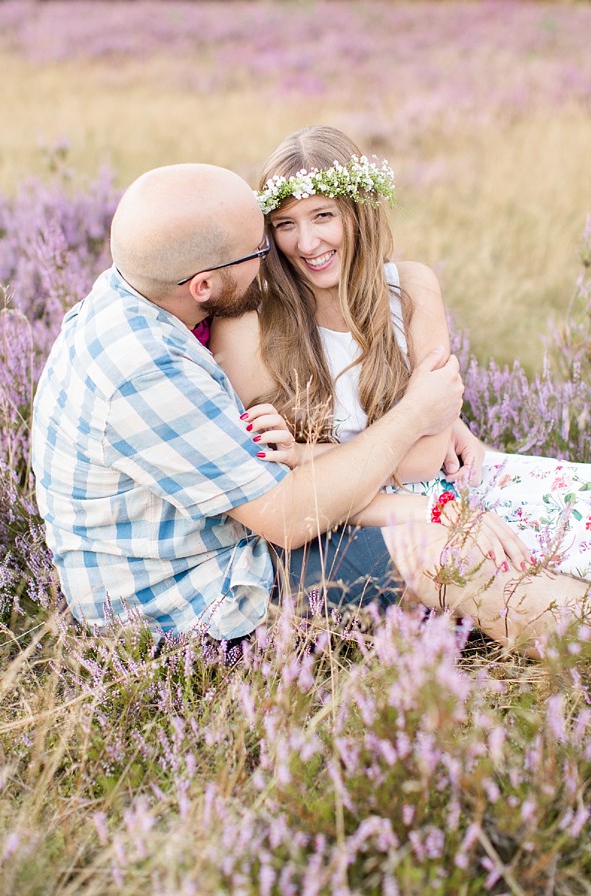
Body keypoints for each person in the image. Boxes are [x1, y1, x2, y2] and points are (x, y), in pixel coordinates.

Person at [31, 162, 588, 655]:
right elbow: (289, 516)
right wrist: (417, 423)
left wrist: (434, 446)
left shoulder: (133, 293)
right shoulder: (148, 370)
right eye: (261, 248)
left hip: (220, 541)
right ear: (202, 285)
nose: (282, 256)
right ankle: (576, 641)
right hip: (192, 602)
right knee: (440, 555)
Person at [211, 125, 591, 583]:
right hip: (358, 516)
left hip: (457, 486)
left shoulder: (411, 289)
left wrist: (306, 454)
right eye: (286, 224)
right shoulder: (249, 324)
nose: (307, 243)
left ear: (358, 213)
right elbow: (271, 486)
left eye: (323, 216)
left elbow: (426, 460)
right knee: (536, 580)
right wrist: (420, 425)